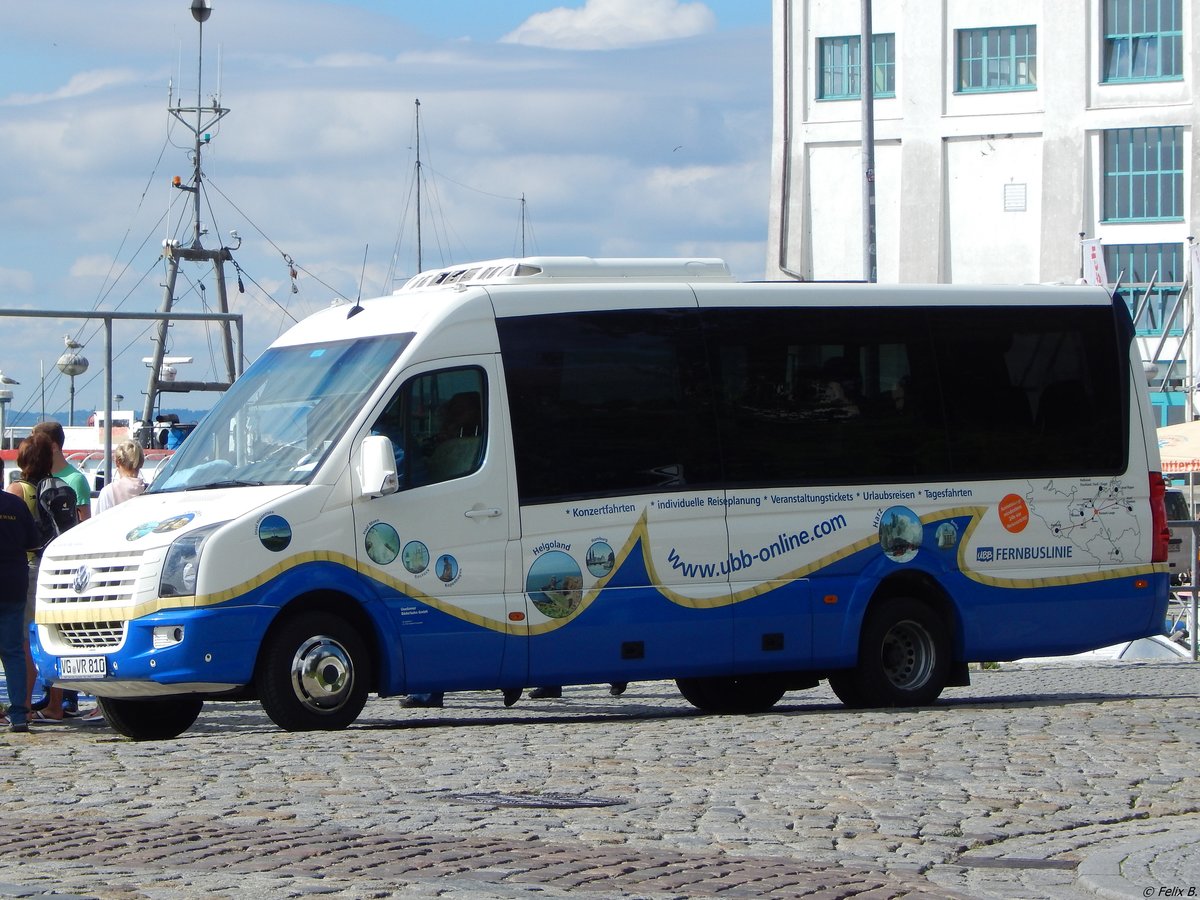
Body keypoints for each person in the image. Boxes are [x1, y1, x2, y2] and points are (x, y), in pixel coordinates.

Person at [30, 421, 89, 716]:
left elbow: (84, 523)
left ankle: (67, 695)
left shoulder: (74, 479)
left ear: (52, 446)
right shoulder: (45, 479)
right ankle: (52, 691)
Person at [0, 456, 41, 732]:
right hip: (12, 583)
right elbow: (33, 542)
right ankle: (18, 714)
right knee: (13, 650)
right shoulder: (15, 504)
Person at [94, 440, 147, 514]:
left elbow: (99, 523)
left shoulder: (108, 492)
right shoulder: (151, 492)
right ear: (141, 463)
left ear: (117, 462)